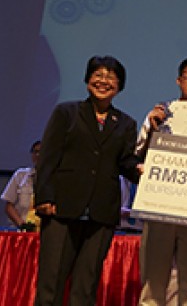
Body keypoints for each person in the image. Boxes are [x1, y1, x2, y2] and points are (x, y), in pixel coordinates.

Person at [33, 55, 140, 306]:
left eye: (111, 77)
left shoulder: (125, 123)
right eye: (98, 75)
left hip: (101, 213)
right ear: (87, 80)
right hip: (62, 207)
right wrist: (45, 197)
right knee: (51, 284)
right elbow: (48, 157)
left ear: (120, 86)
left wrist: (146, 170)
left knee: (86, 286)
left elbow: (126, 163)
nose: (103, 81)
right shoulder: (66, 112)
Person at [138, 55, 187, 306]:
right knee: (153, 278)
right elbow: (138, 154)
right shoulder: (160, 114)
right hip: (161, 204)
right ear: (178, 80)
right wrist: (153, 128)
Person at [1, 141, 41, 229]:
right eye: (35, 152)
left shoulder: (54, 178)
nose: (38, 155)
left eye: (41, 152)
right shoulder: (20, 174)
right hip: (20, 228)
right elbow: (9, 206)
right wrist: (22, 224)